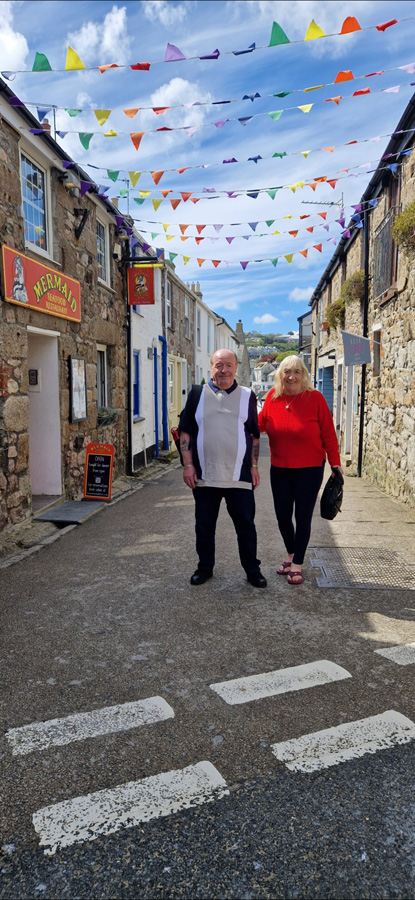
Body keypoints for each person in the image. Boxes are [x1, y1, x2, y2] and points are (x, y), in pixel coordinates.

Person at [179, 348, 267, 588]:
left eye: (228, 365)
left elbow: (254, 435)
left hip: (239, 475)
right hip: (205, 476)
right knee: (204, 527)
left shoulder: (248, 396)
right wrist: (188, 465)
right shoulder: (197, 394)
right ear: (211, 368)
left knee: (246, 527)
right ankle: (204, 568)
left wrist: (254, 466)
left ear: (236, 368)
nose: (223, 370)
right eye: (219, 365)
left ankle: (252, 570)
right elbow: (185, 431)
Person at [258, 355, 343, 586]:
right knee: (282, 516)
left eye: (296, 371)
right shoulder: (272, 398)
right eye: (287, 371)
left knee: (302, 516)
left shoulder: (314, 398)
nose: (291, 376)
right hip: (280, 468)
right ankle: (291, 553)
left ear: (303, 374)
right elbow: (258, 425)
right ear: (280, 374)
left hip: (310, 469)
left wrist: (335, 463)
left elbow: (328, 434)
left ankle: (297, 564)